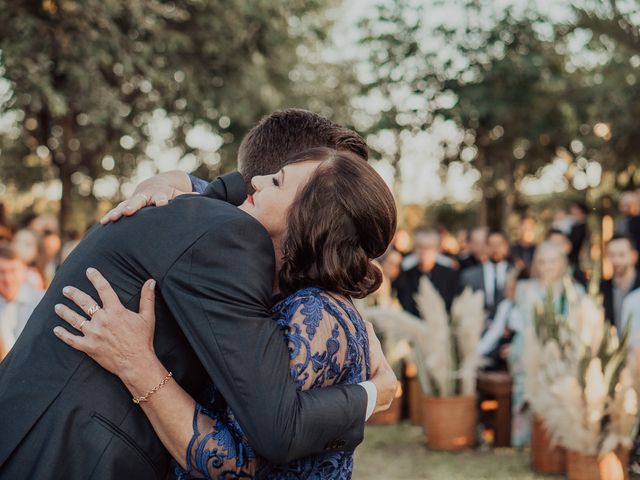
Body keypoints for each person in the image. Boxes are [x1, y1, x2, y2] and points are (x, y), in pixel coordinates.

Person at [0, 110, 397, 479]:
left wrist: (139, 365)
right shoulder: (229, 235)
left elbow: (269, 433)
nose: (254, 182)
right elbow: (279, 428)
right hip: (64, 453)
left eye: (277, 180)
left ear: (314, 216)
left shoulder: (310, 304)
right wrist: (374, 394)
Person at [508, 241, 585, 447]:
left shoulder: (575, 291)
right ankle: (526, 440)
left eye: (553, 261)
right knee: (527, 384)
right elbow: (522, 321)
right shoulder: (524, 289)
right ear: (536, 265)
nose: (548, 266)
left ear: (563, 263)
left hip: (562, 350)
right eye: (542, 262)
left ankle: (557, 442)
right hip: (528, 348)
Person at [395, 227, 460, 315]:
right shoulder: (405, 275)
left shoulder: (450, 275)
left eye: (429, 247)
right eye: (420, 246)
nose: (424, 251)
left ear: (437, 248)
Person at [0, 247, 44, 361]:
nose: (8, 279)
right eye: (1, 272)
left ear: (24, 271)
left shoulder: (42, 300)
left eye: (13, 270)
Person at [460, 230, 514, 317]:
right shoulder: (470, 276)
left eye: (499, 244)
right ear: (485, 246)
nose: (495, 249)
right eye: (491, 245)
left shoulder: (516, 273)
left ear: (506, 247)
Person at [600, 234, 640, 331]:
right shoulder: (602, 288)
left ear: (634, 256)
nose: (616, 260)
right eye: (612, 255)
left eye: (621, 255)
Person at [568, 202, 589, 268]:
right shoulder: (573, 227)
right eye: (572, 214)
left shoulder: (586, 228)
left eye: (576, 213)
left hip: (581, 261)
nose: (573, 216)